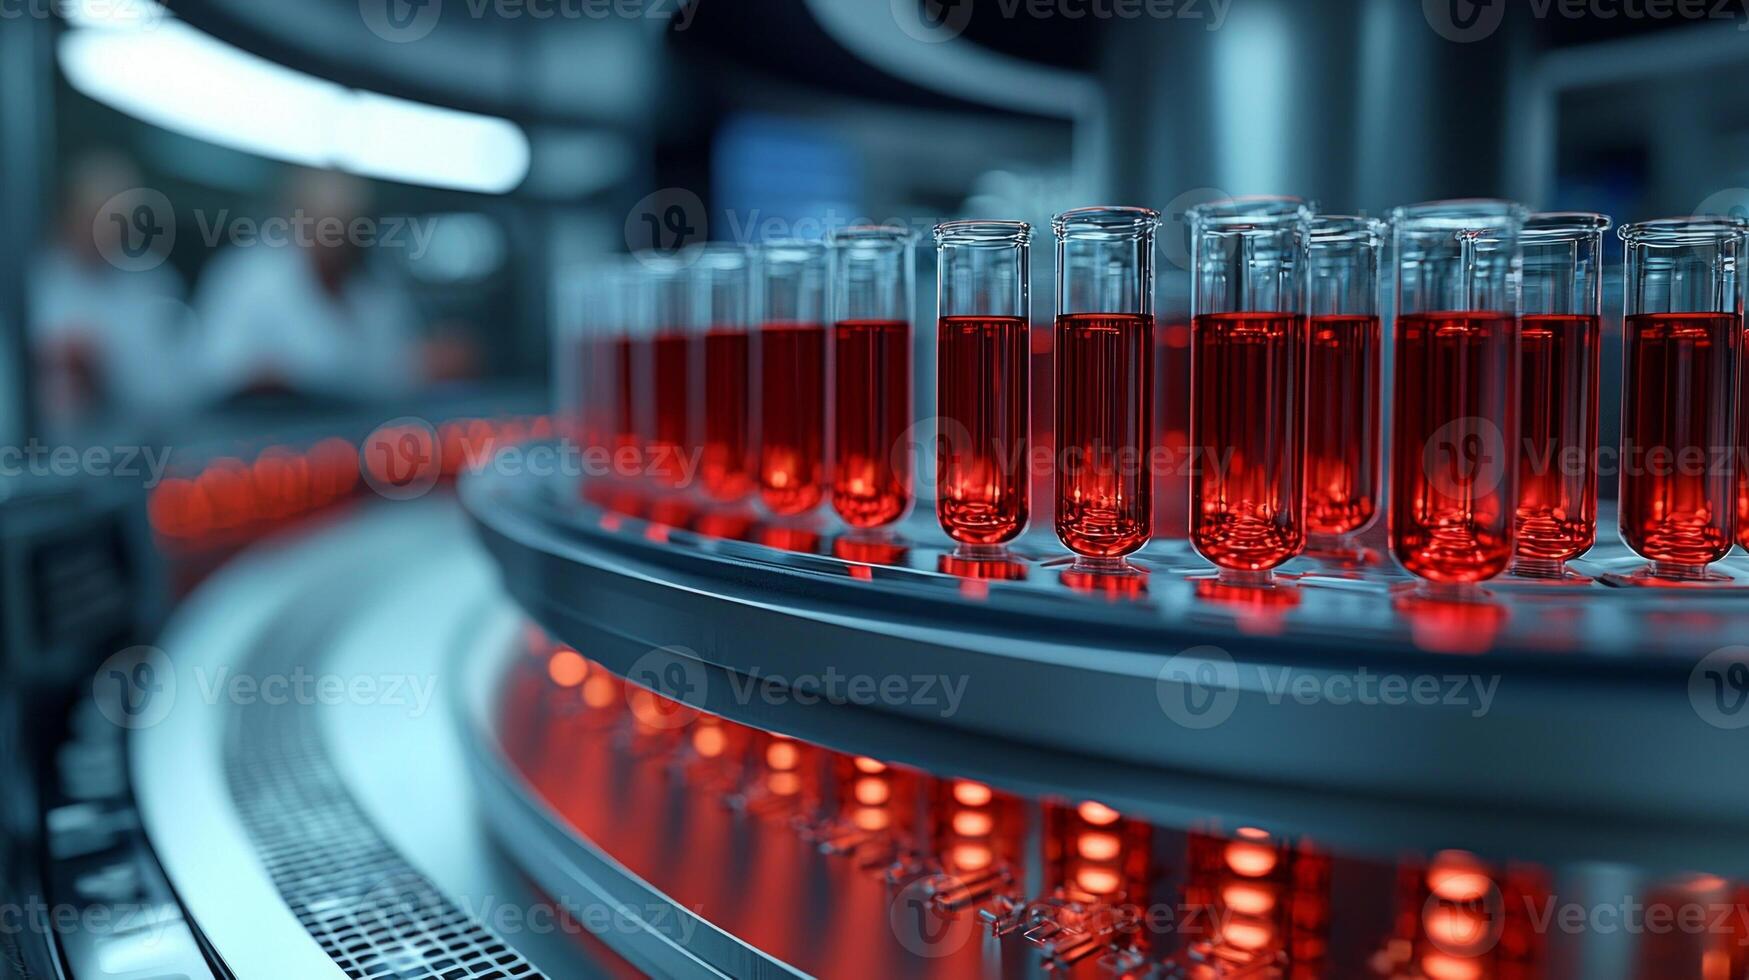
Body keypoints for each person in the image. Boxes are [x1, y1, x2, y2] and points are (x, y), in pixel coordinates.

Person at [192, 168, 458, 404]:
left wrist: (425, 364)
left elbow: (393, 373)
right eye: (327, 227)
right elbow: (213, 373)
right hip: (261, 433)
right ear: (297, 219)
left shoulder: (374, 287)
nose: (339, 241)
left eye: (350, 228)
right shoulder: (248, 276)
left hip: (356, 435)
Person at [30, 151, 192, 430]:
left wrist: (108, 365)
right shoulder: (31, 281)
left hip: (140, 442)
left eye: (118, 220)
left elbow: (180, 390)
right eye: (94, 216)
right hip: (46, 442)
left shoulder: (156, 284)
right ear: (68, 214)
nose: (105, 231)